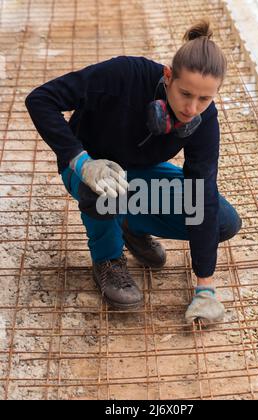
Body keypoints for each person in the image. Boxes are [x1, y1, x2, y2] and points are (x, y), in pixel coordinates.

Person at [25, 19, 242, 324]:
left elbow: (200, 193)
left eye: (204, 98)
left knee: (224, 221)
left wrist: (205, 287)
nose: (192, 108)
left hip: (140, 174)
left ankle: (132, 225)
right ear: (168, 76)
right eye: (185, 94)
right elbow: (40, 99)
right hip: (90, 171)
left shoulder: (203, 121)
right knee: (103, 190)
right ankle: (108, 259)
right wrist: (80, 160)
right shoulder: (124, 75)